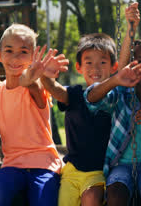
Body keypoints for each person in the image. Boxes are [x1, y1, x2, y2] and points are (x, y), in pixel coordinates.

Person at [85, 39, 141, 206]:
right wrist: (115, 80)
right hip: (120, 165)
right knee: (115, 193)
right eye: (140, 62)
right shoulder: (121, 93)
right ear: (131, 67)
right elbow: (91, 99)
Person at [0, 24, 67, 206]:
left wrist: (35, 73)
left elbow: (27, 81)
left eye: (23, 52)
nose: (15, 57)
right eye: (9, 50)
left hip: (44, 165)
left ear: (33, 57)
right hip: (12, 165)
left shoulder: (36, 85)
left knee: (43, 199)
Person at [39, 33, 118, 206]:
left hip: (100, 172)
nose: (95, 68)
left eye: (102, 62)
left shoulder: (115, 99)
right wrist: (46, 75)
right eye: (89, 62)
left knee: (91, 199)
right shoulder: (75, 94)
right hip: (72, 170)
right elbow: (54, 89)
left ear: (114, 67)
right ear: (79, 67)